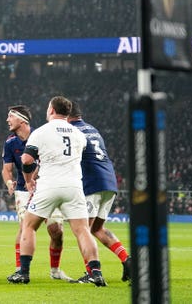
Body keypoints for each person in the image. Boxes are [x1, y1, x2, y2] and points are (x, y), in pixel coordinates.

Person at [8, 96, 107, 287]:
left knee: (29, 226)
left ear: (51, 110)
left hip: (49, 185)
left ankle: (24, 272)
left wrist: (29, 181)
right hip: (74, 186)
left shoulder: (41, 132)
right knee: (82, 230)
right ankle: (96, 272)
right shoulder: (79, 135)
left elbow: (27, 160)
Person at [1, 105, 72, 281]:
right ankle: (20, 269)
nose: (7, 120)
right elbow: (6, 169)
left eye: (10, 116)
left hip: (47, 186)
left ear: (22, 120)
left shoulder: (41, 136)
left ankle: (55, 271)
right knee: (24, 226)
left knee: (56, 230)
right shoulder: (10, 143)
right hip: (23, 191)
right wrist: (9, 182)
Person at [68, 101, 131, 284]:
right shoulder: (92, 129)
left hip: (92, 182)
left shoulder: (72, 132)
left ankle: (92, 273)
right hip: (109, 181)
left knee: (83, 230)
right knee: (97, 228)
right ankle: (128, 260)